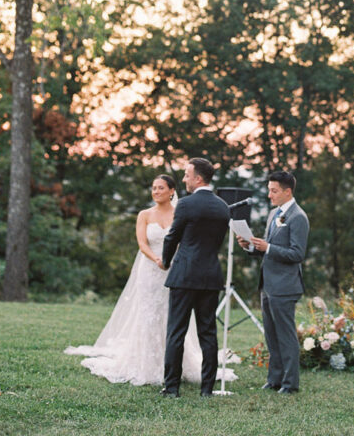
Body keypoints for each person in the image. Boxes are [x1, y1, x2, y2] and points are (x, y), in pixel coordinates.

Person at [64, 174, 203, 385]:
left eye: (160, 188)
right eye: (153, 188)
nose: (155, 191)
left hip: (174, 270)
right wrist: (156, 258)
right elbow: (142, 243)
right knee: (149, 314)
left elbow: (185, 241)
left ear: (172, 191)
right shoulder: (145, 215)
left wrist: (174, 260)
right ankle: (148, 363)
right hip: (150, 269)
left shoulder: (179, 214)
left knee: (171, 315)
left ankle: (175, 363)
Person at [161, 157, 231, 398]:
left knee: (176, 332)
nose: (184, 179)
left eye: (187, 175)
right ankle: (207, 390)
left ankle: (171, 389)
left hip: (184, 276)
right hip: (211, 276)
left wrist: (166, 261)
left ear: (198, 178)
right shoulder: (223, 207)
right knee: (208, 333)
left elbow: (173, 237)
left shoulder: (187, 204)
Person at [238, 169, 309, 394]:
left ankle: (290, 384)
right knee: (271, 335)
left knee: (286, 337)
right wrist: (250, 246)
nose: (270, 195)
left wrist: (267, 247)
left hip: (285, 286)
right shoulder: (273, 214)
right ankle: (274, 379)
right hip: (267, 285)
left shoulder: (298, 217)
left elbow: (297, 254)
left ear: (288, 192)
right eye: (269, 190)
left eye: (274, 191)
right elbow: (269, 249)